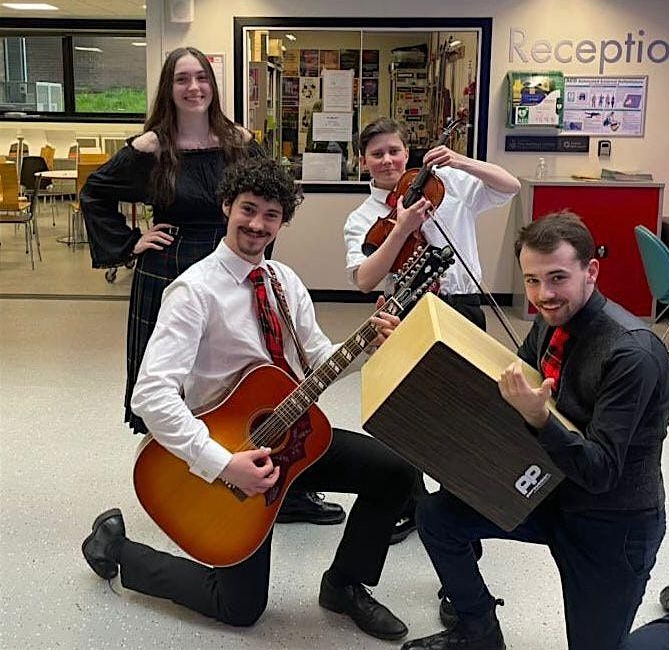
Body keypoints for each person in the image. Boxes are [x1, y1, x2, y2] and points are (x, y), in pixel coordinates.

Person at [81, 157, 418, 642]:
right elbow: (150, 396)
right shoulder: (194, 291)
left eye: (271, 215)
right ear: (227, 207)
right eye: (249, 209)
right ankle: (117, 550)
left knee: (396, 473)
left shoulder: (284, 281)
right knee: (239, 608)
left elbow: (319, 358)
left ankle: (344, 584)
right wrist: (223, 463)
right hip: (227, 453)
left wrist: (368, 345)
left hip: (288, 437)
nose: (257, 225)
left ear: (283, 222)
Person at [402, 211, 669, 650]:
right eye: (532, 281)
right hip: (550, 491)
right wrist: (416, 351)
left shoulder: (632, 353)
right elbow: (506, 385)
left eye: (557, 278)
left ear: (590, 270)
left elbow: (601, 472)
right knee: (437, 516)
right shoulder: (550, 320)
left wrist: (539, 420)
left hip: (613, 522)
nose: (543, 295)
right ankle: (477, 632)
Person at [80, 46, 339, 525]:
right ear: (169, 88)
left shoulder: (239, 140)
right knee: (177, 389)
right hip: (173, 266)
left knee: (261, 377)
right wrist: (132, 242)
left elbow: (266, 201)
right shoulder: (150, 148)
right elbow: (94, 194)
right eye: (182, 79)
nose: (193, 87)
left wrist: (264, 267)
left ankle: (282, 485)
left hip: (235, 261)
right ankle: (192, 491)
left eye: (201, 77)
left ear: (213, 86)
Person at [343, 116, 521, 543]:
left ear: (409, 153)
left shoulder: (449, 184)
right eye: (377, 153)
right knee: (411, 415)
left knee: (467, 410)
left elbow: (509, 185)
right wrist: (402, 227)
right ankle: (411, 503)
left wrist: (460, 159)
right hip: (406, 313)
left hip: (461, 305)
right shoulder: (363, 216)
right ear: (363, 161)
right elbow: (366, 280)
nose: (387, 160)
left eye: (395, 150)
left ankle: (459, 502)